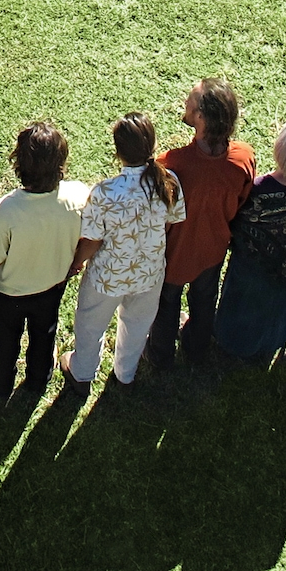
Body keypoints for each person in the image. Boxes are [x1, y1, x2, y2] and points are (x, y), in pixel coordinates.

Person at [63, 113, 184, 391]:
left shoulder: (105, 192)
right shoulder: (169, 182)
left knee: (90, 325)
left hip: (107, 277)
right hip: (150, 272)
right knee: (137, 325)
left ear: (118, 152)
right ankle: (125, 374)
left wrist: (76, 263)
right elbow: (171, 221)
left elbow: (92, 240)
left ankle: (82, 373)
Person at [0, 120, 87, 407]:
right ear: (61, 162)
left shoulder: (4, 210)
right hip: (52, 286)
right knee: (44, 332)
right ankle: (39, 377)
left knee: (5, 340)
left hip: (8, 295)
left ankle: (1, 379)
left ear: (19, 163)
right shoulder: (79, 197)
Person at [146, 77, 253, 367]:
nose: (185, 102)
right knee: (205, 300)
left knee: (167, 305)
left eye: (190, 100)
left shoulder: (172, 164)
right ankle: (197, 348)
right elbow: (242, 201)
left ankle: (160, 353)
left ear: (202, 117)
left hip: (175, 256)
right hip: (214, 250)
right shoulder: (244, 158)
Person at [212, 119, 286, 364]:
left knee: (243, 306)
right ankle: (273, 339)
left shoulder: (258, 192)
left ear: (279, 151)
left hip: (251, 268)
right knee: (281, 303)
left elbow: (236, 225)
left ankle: (234, 342)